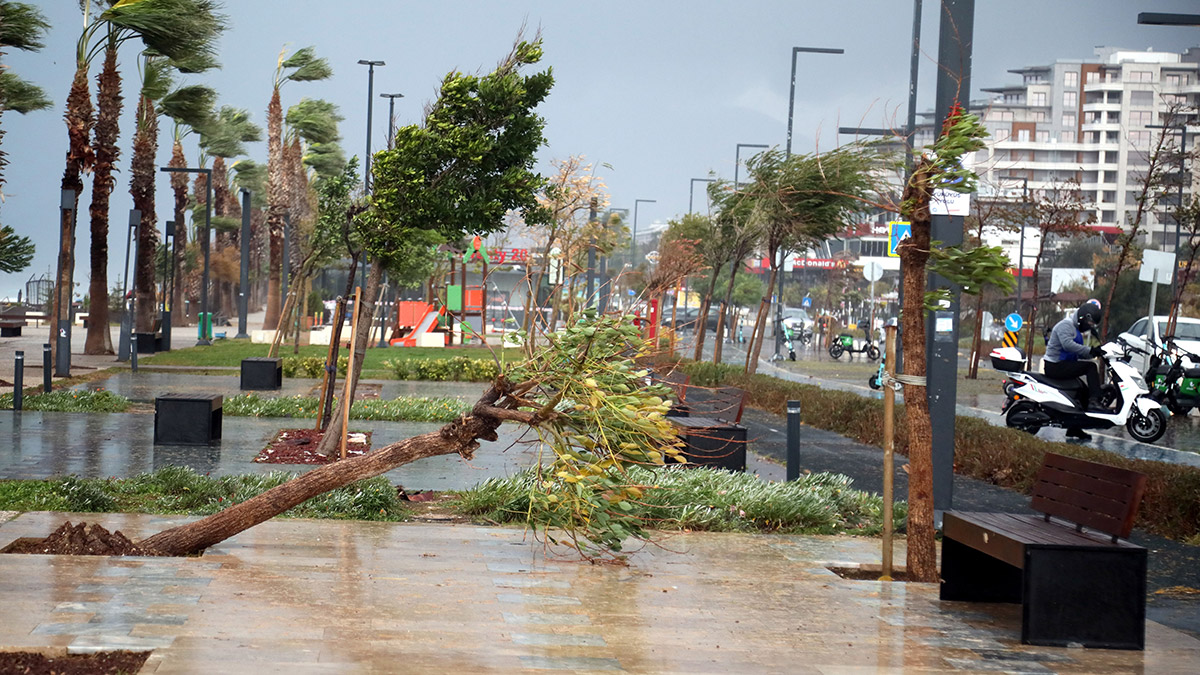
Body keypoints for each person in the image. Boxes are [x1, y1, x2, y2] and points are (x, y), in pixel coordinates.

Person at [1043, 301, 1105, 440]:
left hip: (1063, 364)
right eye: (1089, 324)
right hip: (1054, 365)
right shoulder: (1066, 325)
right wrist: (1090, 350)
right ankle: (1095, 401)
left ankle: (1074, 429)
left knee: (1083, 392)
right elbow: (1068, 345)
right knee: (1090, 367)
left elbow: (1078, 353)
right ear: (1082, 318)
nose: (1089, 327)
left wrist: (1096, 352)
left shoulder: (1075, 329)